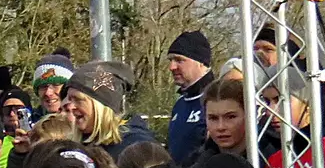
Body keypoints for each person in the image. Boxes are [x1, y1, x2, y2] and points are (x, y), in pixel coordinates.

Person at [66, 65, 155, 159]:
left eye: (78, 99)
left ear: (100, 105)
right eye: (70, 99)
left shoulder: (137, 148)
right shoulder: (75, 145)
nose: (70, 107)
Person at [165, 31, 215, 159]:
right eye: (171, 60)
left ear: (201, 62)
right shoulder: (180, 103)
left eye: (179, 60)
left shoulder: (216, 99)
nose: (172, 67)